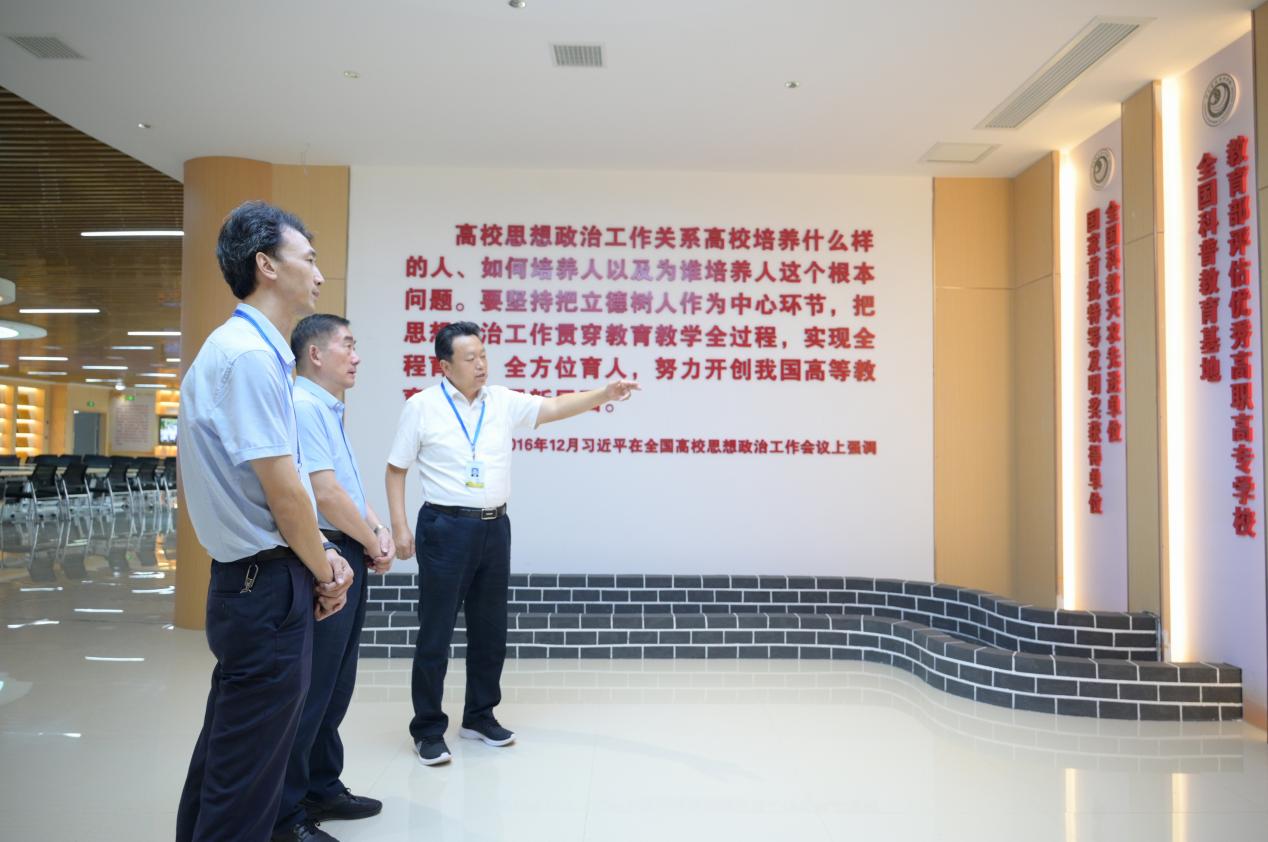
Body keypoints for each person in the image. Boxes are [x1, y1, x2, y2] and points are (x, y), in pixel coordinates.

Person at [175, 201, 353, 842]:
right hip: (265, 584)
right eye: (309, 259)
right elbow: (285, 493)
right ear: (266, 266)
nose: (319, 275)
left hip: (251, 581)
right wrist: (325, 565)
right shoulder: (249, 357)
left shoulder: (246, 351)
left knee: (230, 757)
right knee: (246, 777)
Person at [385, 321, 640, 766]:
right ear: (445, 366)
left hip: (494, 527)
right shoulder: (422, 407)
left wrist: (604, 393)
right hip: (444, 528)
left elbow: (554, 407)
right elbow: (396, 469)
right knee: (436, 631)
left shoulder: (500, 401)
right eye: (470, 358)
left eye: (483, 355)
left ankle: (479, 716)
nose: (481, 364)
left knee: (490, 628)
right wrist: (400, 527)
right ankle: (427, 728)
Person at [272, 314, 394, 842]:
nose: (357, 356)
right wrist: (370, 540)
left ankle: (322, 785)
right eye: (348, 344)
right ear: (316, 354)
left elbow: (346, 488)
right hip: (327, 554)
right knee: (314, 687)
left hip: (349, 548)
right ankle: (287, 811)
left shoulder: (327, 408)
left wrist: (376, 531)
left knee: (336, 684)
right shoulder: (303, 406)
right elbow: (323, 495)